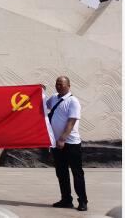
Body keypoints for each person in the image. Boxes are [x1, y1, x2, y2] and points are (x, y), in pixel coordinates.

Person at [47, 76, 87, 212]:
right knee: (61, 173)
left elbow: (71, 121)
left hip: (70, 143)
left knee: (77, 173)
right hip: (57, 143)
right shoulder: (54, 98)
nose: (58, 86)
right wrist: (39, 91)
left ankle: (82, 201)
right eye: (57, 84)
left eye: (61, 84)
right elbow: (42, 105)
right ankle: (66, 200)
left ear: (68, 86)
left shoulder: (73, 101)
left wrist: (62, 139)